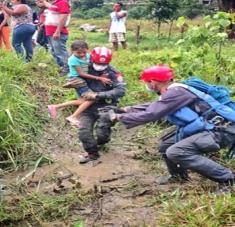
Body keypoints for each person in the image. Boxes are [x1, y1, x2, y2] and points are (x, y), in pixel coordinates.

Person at [102, 64, 235, 192]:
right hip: (212, 127)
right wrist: (126, 110)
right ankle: (178, 176)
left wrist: (118, 117)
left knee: (176, 151)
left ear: (153, 82)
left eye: (147, 82)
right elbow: (156, 106)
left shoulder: (176, 93)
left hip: (221, 130)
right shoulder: (175, 90)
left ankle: (228, 179)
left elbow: (152, 113)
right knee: (166, 145)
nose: (147, 85)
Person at [76, 48, 126, 164]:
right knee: (83, 131)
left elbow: (121, 91)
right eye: (98, 63)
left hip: (107, 106)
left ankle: (103, 141)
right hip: (87, 107)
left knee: (102, 133)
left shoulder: (114, 73)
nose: (100, 66)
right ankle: (92, 153)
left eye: (103, 64)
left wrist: (99, 95)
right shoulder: (84, 68)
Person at [48, 43, 113, 126]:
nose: (82, 55)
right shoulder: (73, 60)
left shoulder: (88, 56)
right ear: (72, 51)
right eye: (78, 53)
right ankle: (73, 116)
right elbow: (81, 73)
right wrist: (99, 78)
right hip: (77, 79)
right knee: (92, 98)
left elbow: (96, 62)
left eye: (84, 52)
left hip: (82, 80)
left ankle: (55, 107)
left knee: (83, 101)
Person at [36, 0, 71, 75]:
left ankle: (67, 69)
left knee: (60, 52)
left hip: (57, 32)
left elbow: (63, 17)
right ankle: (62, 67)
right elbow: (51, 8)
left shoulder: (63, 2)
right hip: (50, 32)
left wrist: (58, 31)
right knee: (53, 51)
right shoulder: (55, 4)